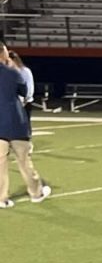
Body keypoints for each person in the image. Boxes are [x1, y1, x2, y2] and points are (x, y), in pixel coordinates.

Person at [0, 43, 50, 209]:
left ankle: (2, 198)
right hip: (15, 123)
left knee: (0, 163)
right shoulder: (11, 73)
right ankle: (35, 193)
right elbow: (24, 91)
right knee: (24, 160)